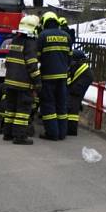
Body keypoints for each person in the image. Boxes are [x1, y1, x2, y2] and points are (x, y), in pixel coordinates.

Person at [2, 14, 41, 145]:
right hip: (23, 83)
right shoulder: (30, 43)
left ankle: (7, 134)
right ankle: (20, 137)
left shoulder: (15, 40)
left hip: (10, 81)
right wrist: (37, 81)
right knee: (22, 111)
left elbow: (8, 62)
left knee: (10, 109)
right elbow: (32, 64)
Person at [37, 11, 72, 141]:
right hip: (62, 77)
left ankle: (52, 133)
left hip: (48, 78)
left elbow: (37, 57)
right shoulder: (66, 36)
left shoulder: (43, 36)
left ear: (45, 22)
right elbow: (70, 57)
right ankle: (62, 133)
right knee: (61, 105)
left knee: (48, 105)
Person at [66, 49, 95, 136]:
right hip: (75, 89)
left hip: (76, 91)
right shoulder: (77, 67)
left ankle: (71, 129)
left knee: (73, 105)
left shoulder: (85, 72)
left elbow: (75, 88)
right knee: (72, 104)